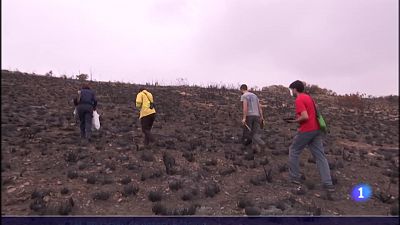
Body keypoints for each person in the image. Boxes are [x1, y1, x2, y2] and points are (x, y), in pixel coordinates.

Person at [286, 80, 334, 192]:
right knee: (320, 156)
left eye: (291, 90)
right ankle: (328, 183)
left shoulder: (299, 99)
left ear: (295, 89)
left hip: (307, 129)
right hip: (316, 129)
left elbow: (305, 116)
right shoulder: (309, 97)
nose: (291, 92)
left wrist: (294, 121)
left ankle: (294, 177)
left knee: (293, 150)